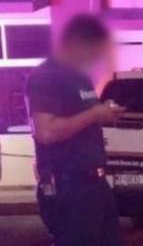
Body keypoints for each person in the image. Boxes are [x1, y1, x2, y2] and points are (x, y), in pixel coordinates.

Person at [25, 14, 126, 246]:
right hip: (68, 186)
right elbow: (46, 132)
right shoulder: (47, 77)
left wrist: (104, 114)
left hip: (95, 184)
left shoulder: (80, 77)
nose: (97, 56)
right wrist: (94, 114)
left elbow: (83, 119)